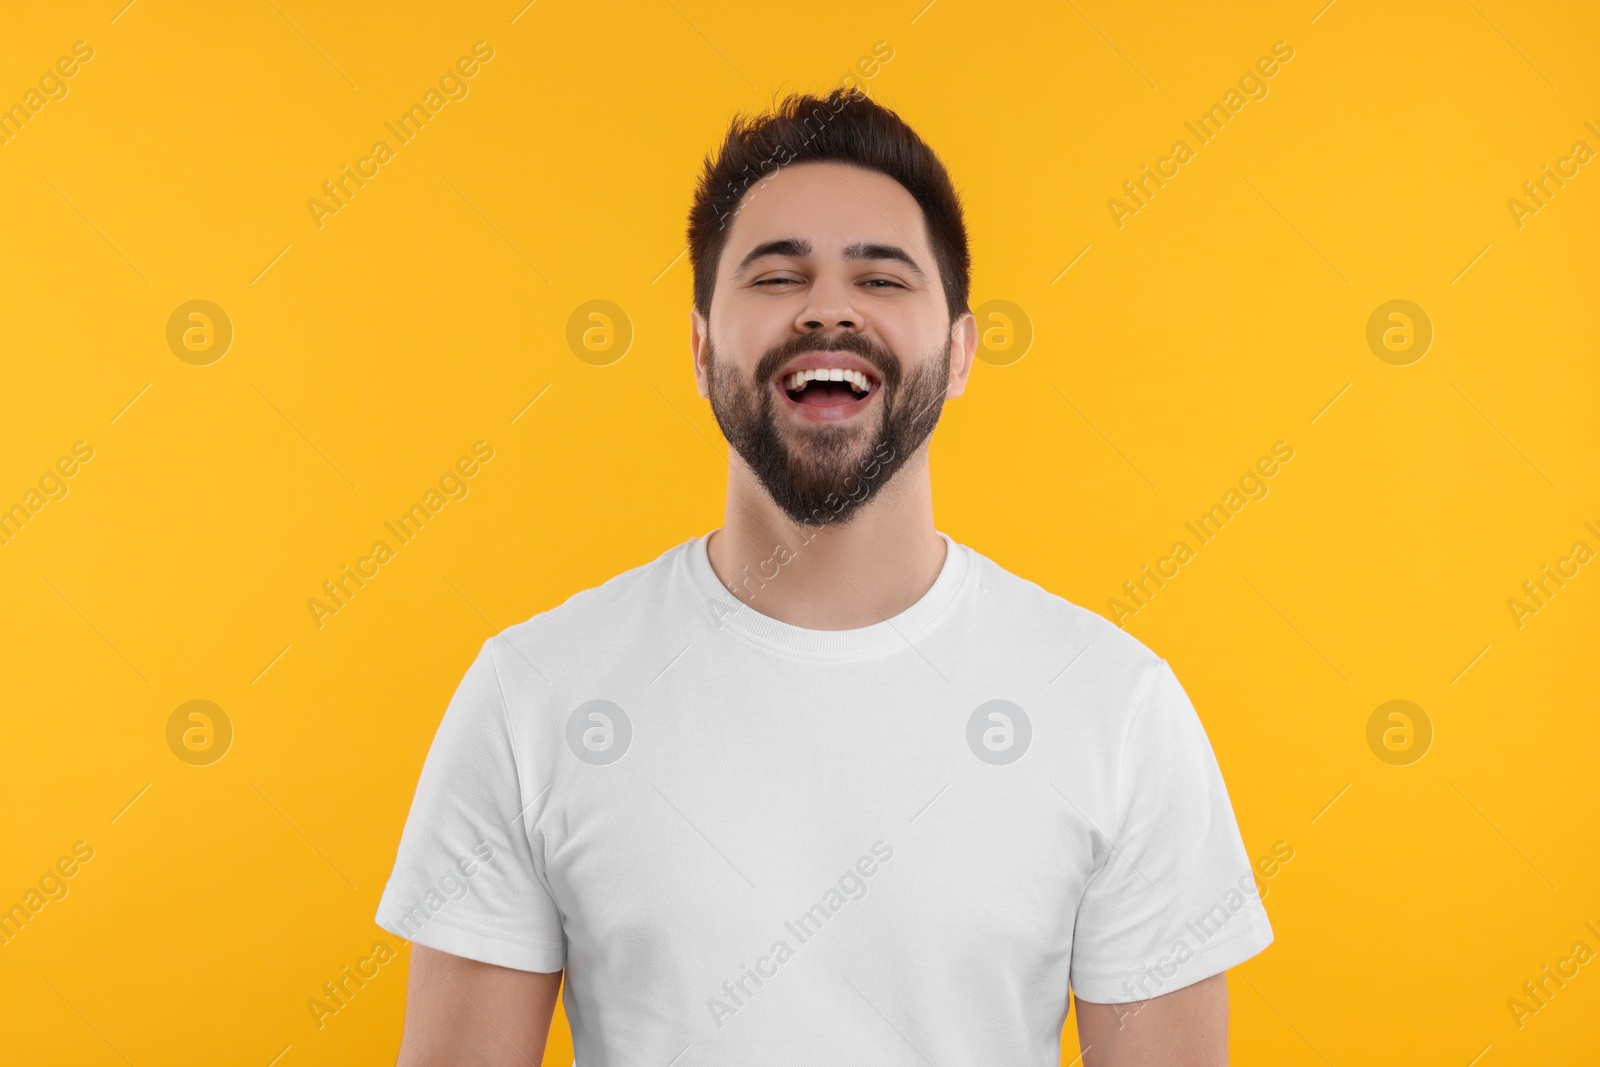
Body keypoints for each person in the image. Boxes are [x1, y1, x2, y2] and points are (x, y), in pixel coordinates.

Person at [376, 86, 1273, 1066]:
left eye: (882, 278)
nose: (828, 308)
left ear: (962, 352)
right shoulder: (530, 695)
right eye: (776, 274)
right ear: (699, 346)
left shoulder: (1116, 706)